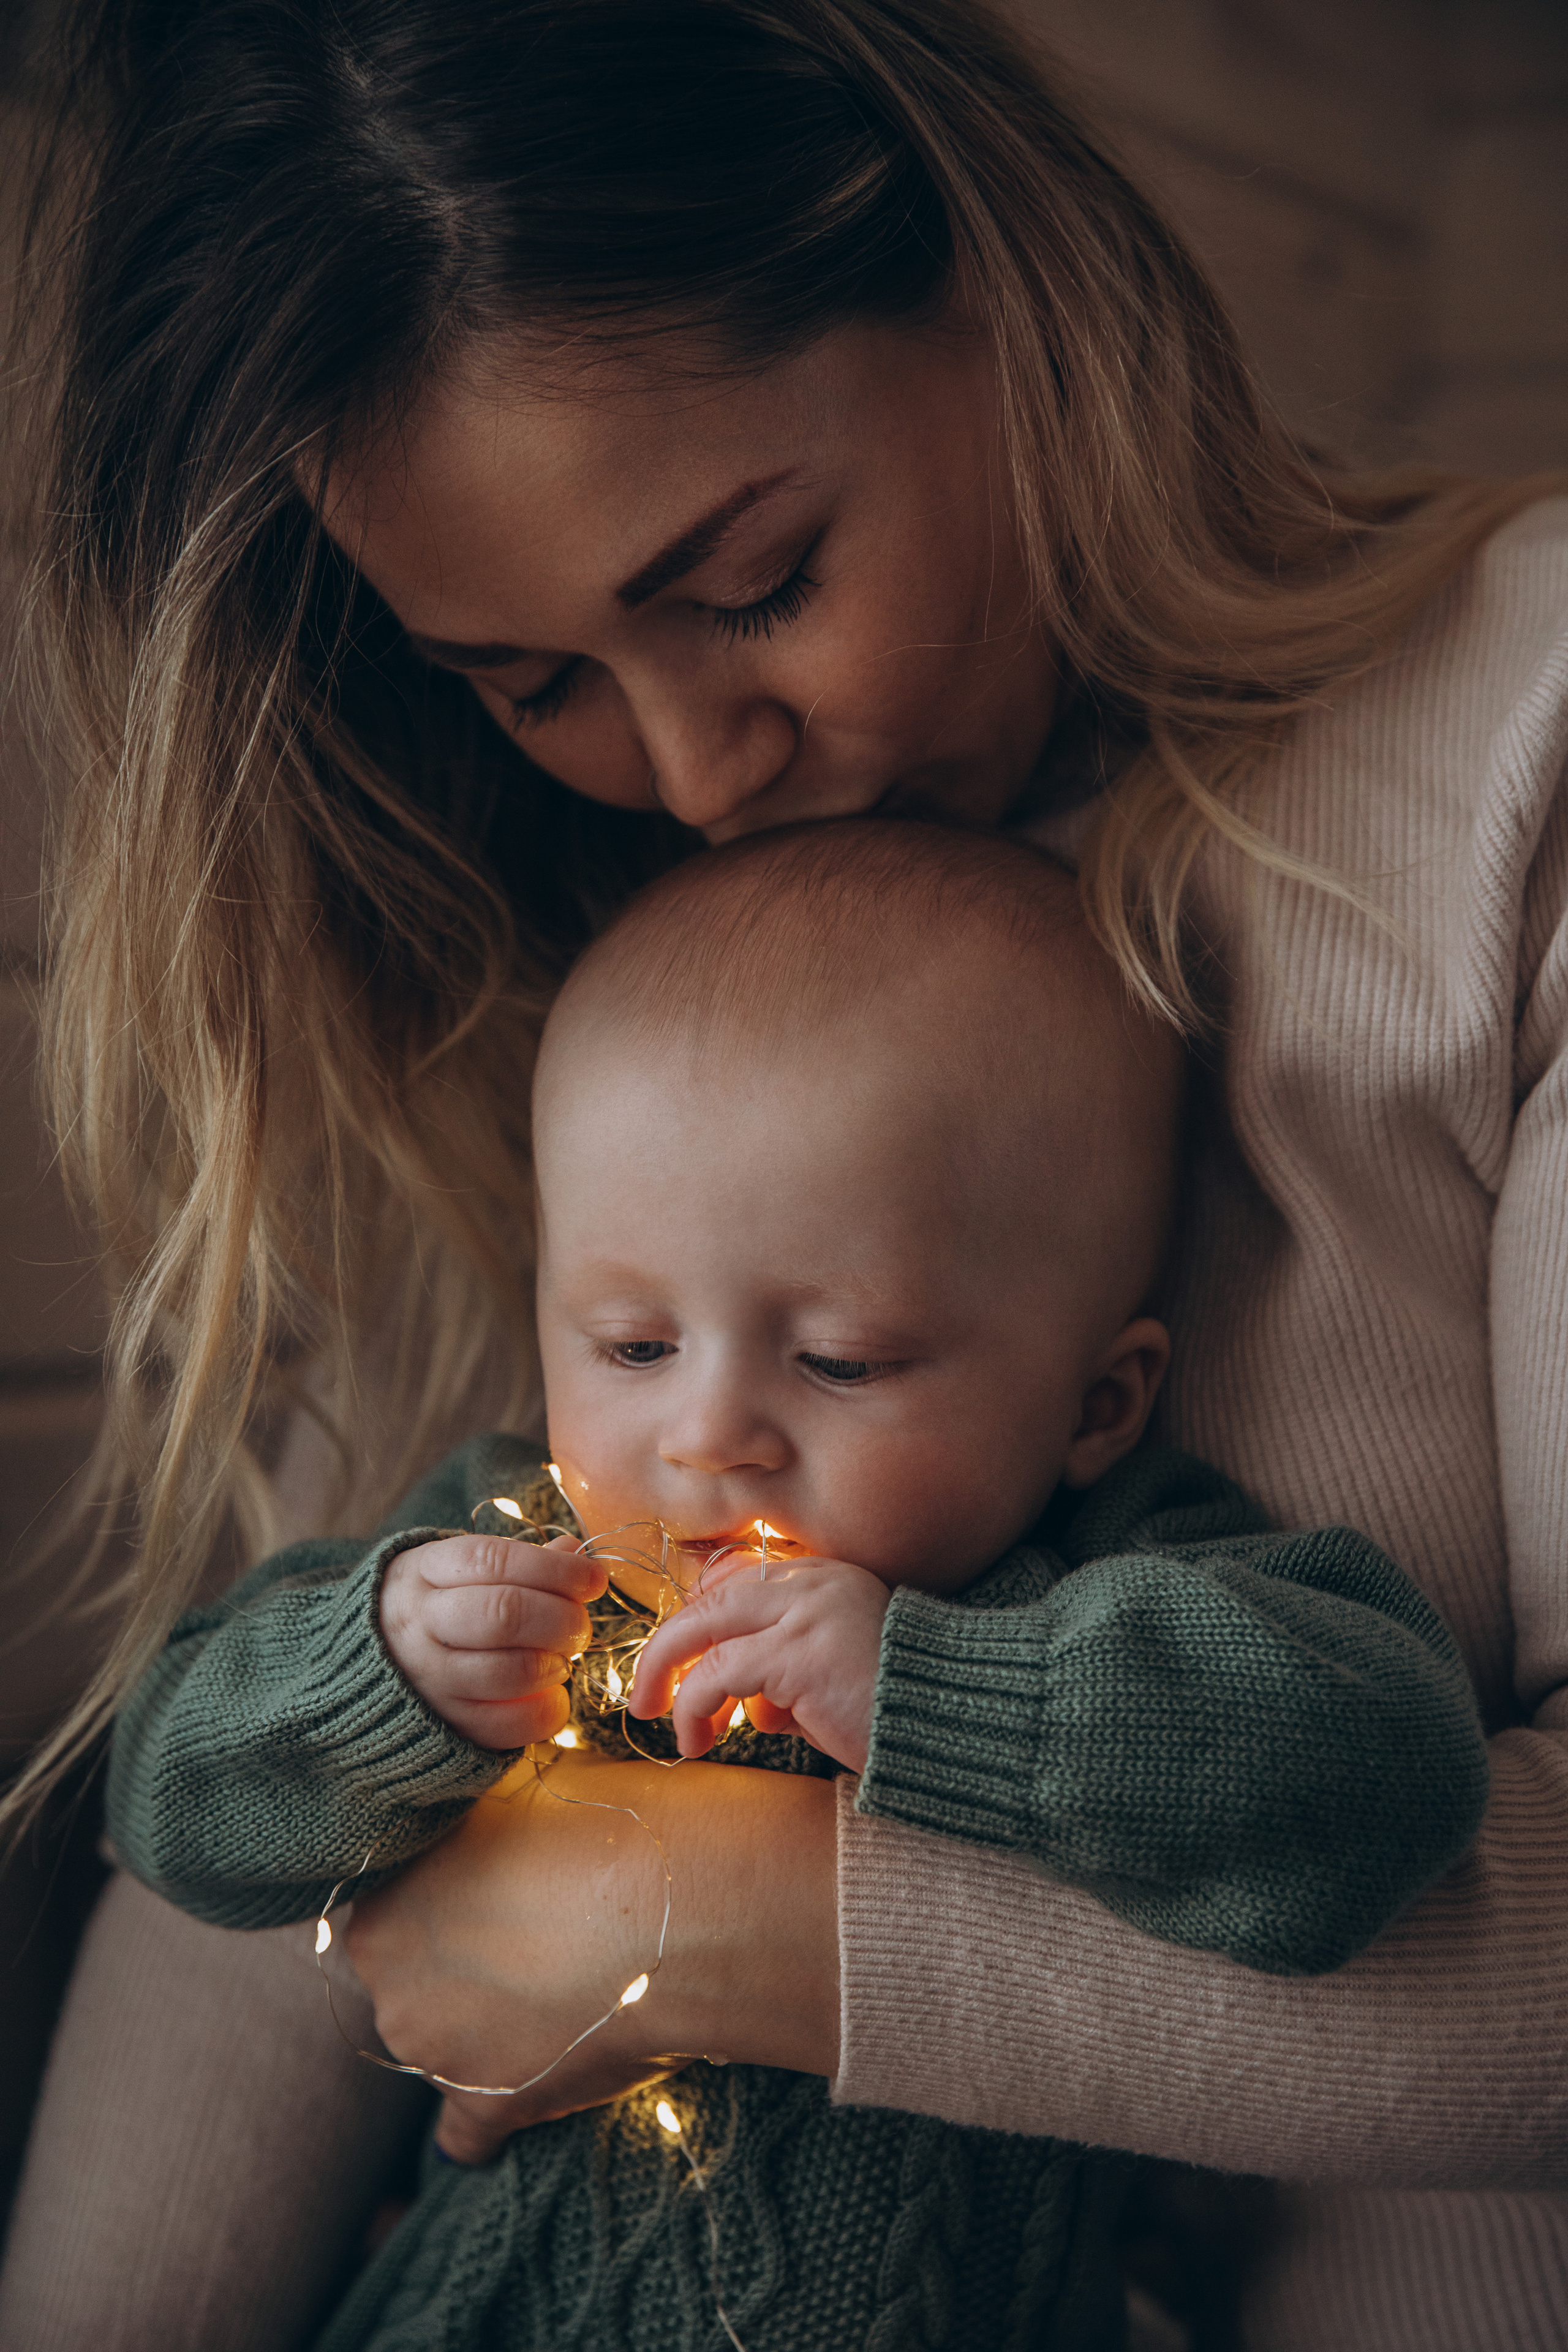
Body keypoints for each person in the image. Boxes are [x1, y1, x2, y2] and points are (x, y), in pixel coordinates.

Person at [1, 1, 1564, 2345]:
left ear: (997, 280)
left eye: (748, 582)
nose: (698, 773)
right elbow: (246, 1926)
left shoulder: (1519, 765)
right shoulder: (580, 920)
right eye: (528, 677)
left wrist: (715, 1931)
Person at [104, 825, 1488, 2352]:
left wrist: (932, 1685)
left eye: (839, 1359)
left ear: (1095, 1404)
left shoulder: (1098, 1592)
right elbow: (172, 1802)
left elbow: (1386, 1774)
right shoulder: (525, 1555)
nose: (707, 1437)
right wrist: (371, 1669)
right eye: (631, 1344)